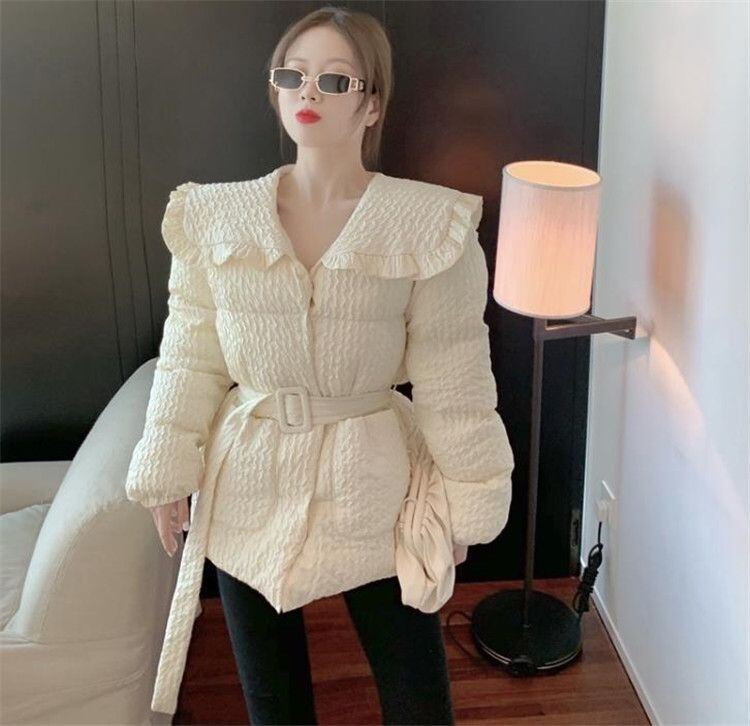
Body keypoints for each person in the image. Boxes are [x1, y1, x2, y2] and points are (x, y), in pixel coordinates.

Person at [124, 4, 515, 724]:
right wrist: (167, 467)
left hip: (375, 482)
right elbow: (190, 356)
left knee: (418, 702)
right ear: (274, 90)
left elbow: (455, 378)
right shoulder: (215, 217)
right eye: (293, 75)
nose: (309, 92)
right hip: (247, 479)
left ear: (372, 105)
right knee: (273, 706)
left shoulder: (429, 226)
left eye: (335, 80)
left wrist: (468, 500)